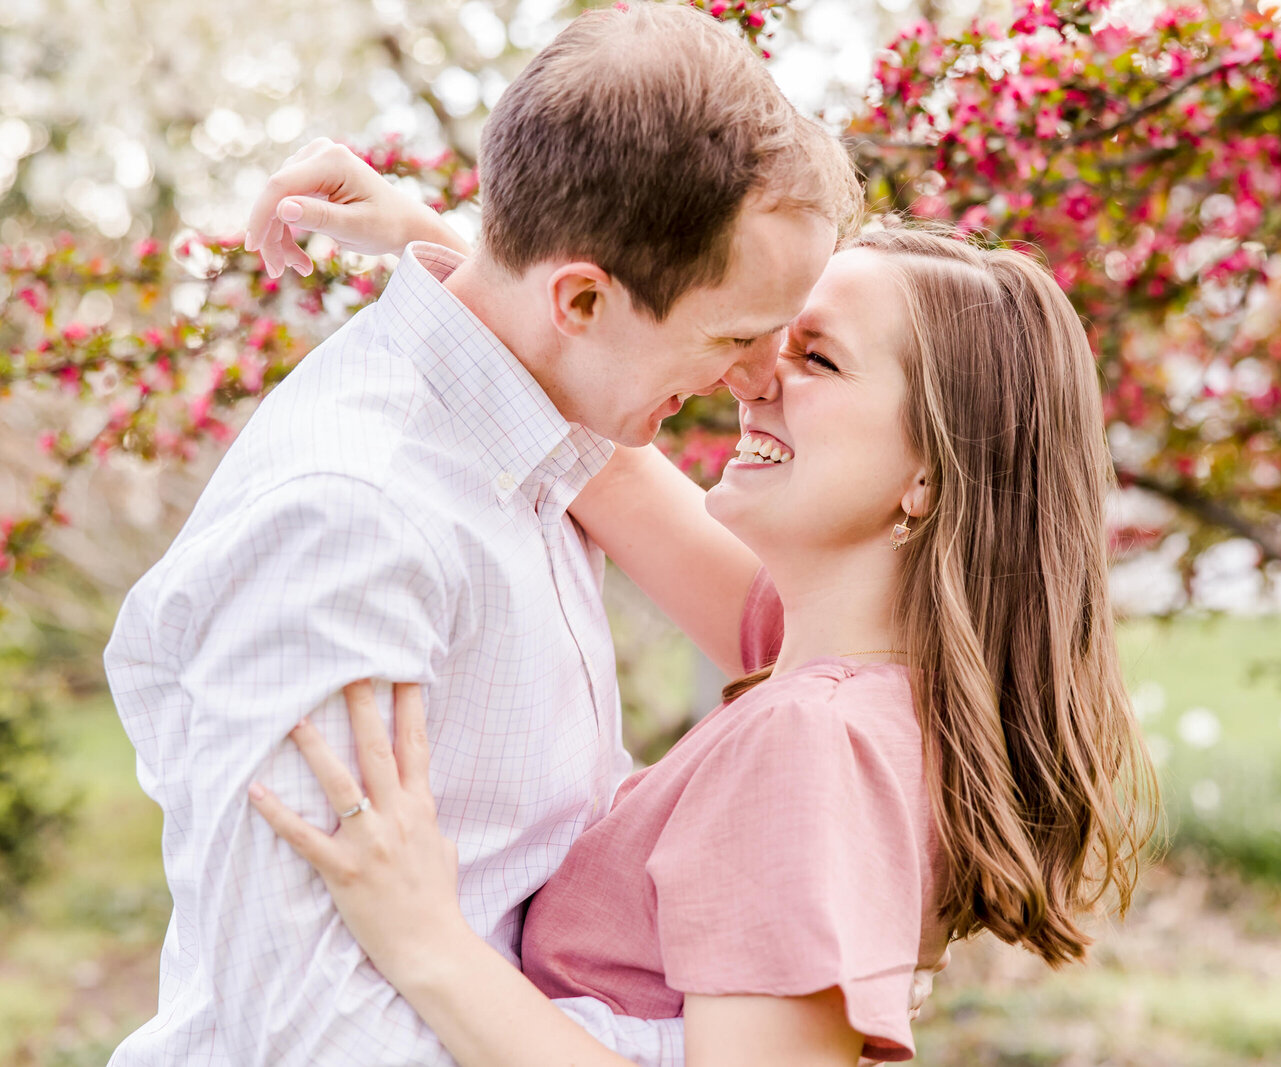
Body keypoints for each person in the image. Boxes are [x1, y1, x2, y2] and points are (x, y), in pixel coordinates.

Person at [243, 147, 1158, 1062]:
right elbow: (606, 454)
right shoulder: (855, 676)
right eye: (763, 337)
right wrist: (475, 262)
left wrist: (427, 944)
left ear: (927, 472)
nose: (751, 376)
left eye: (819, 359)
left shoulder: (813, 740)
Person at [102, 6, 860, 1065]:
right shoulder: (352, 521)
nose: (753, 377)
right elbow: (308, 1033)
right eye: (734, 333)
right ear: (584, 295)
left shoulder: (538, 429)